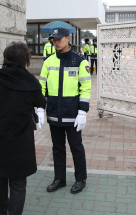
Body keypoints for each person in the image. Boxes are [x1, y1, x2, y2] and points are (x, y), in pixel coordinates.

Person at [0, 41, 45, 215]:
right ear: (26, 60)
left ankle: (2, 210)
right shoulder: (31, 81)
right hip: (21, 140)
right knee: (18, 181)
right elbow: (41, 102)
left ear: (5, 58)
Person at [38, 27, 91, 194]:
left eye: (59, 39)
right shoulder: (48, 62)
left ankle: (80, 179)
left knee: (76, 147)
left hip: (73, 114)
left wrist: (83, 111)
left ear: (68, 38)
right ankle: (59, 178)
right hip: (54, 113)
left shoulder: (80, 61)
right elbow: (42, 87)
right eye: (54, 40)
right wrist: (40, 108)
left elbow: (86, 88)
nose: (56, 42)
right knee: (57, 148)